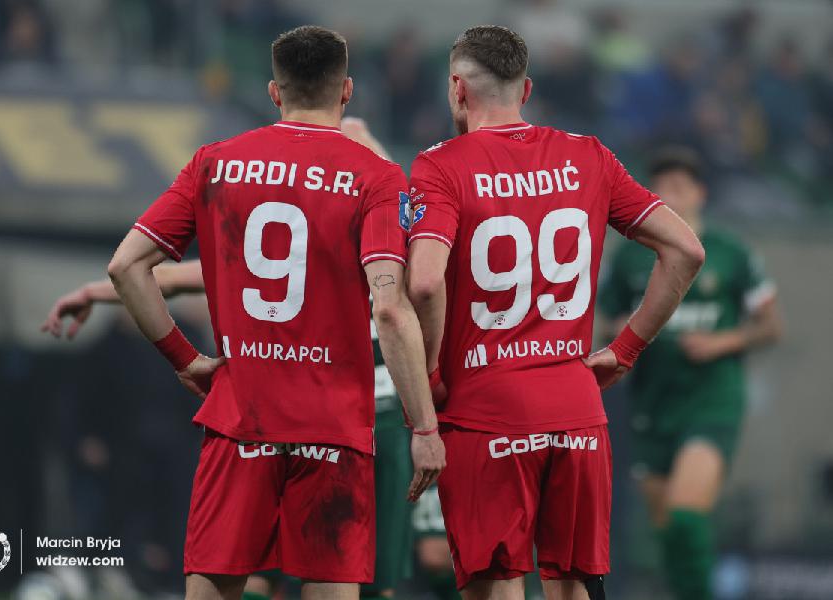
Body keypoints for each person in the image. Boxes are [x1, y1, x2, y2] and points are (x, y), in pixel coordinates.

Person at [104, 26, 445, 600]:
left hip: (242, 420)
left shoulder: (215, 163)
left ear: (273, 91)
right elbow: (389, 309)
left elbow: (126, 267)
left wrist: (185, 359)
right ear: (346, 91)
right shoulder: (376, 176)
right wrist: (425, 427)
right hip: (334, 428)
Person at [42, 120, 421, 600]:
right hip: (352, 421)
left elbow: (163, 274)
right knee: (353, 579)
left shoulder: (286, 228)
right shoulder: (385, 235)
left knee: (256, 568)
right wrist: (428, 419)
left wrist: (95, 292)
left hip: (277, 414)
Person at [405, 26, 705, 600]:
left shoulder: (440, 166)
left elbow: (423, 283)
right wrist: (625, 350)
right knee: (572, 585)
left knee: (496, 585)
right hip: (576, 409)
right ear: (527, 89)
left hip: (485, 411)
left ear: (458, 89)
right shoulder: (589, 155)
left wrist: (433, 376)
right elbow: (686, 250)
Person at [598, 147, 782, 600]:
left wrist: (722, 342)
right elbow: (605, 321)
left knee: (685, 517)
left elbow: (770, 326)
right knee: (668, 534)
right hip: (653, 404)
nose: (671, 195)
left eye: (681, 186)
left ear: (700, 193)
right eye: (662, 187)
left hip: (711, 400)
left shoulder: (730, 252)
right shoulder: (631, 257)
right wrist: (621, 330)